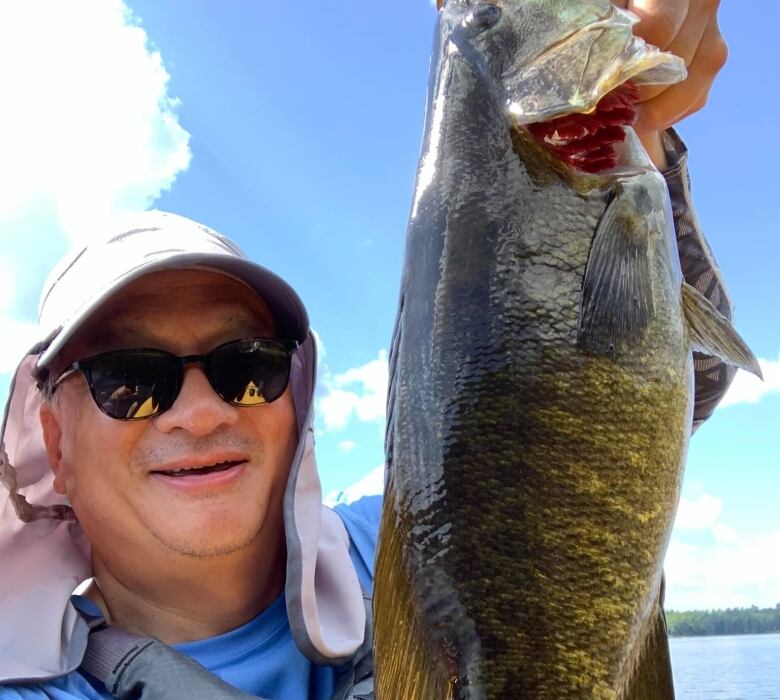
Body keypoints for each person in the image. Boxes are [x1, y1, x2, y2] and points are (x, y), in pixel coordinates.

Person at [0, 1, 733, 697]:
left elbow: (650, 399)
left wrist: (637, 137)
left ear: (296, 394)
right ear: (55, 440)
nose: (197, 411)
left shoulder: (413, 534)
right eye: (129, 379)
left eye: (246, 366)